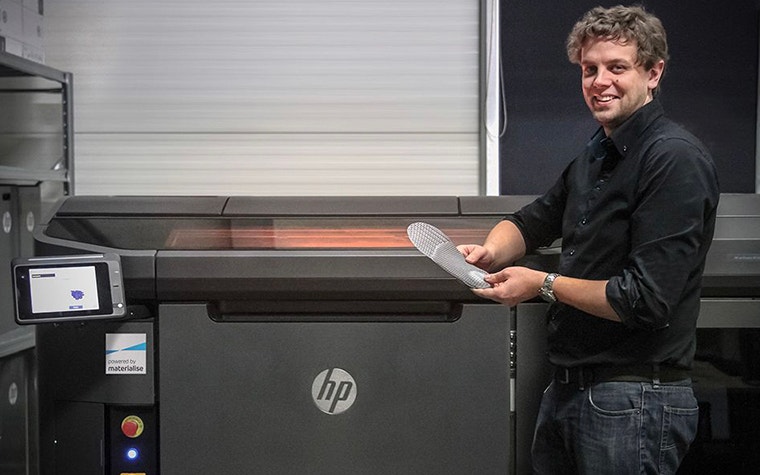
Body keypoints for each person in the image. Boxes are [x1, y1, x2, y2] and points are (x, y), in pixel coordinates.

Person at [459, 5, 719, 474]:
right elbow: (533, 220)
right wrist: (489, 252)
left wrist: (541, 284)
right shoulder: (595, 155)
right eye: (589, 69)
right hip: (570, 391)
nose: (600, 81)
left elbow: (645, 299)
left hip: (636, 399)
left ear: (654, 72)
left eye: (617, 67)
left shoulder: (673, 160)